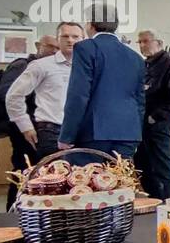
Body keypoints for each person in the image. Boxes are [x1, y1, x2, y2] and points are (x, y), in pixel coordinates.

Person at [58, 17, 144, 163]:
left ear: (90, 25)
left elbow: (78, 95)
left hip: (93, 132)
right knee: (120, 183)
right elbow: (140, 101)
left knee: (86, 182)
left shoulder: (85, 48)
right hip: (128, 133)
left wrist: (67, 136)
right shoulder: (136, 57)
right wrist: (135, 133)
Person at [6, 23, 82, 162]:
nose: (70, 40)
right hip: (51, 131)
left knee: (81, 180)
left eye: (75, 36)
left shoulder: (89, 67)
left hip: (82, 133)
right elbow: (14, 95)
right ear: (58, 39)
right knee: (52, 180)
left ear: (83, 40)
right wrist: (25, 126)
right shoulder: (42, 65)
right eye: (65, 36)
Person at [3, 34, 59, 207]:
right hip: (23, 129)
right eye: (50, 46)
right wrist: (26, 123)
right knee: (23, 171)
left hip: (42, 129)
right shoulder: (22, 66)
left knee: (42, 173)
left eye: (57, 48)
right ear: (37, 45)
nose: (54, 51)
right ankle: (14, 210)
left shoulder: (55, 67)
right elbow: (6, 94)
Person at [134, 30, 170, 199]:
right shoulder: (145, 65)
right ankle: (155, 198)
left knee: (163, 163)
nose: (143, 45)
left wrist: (155, 117)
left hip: (159, 123)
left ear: (159, 42)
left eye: (146, 41)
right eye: (140, 42)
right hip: (142, 124)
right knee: (142, 163)